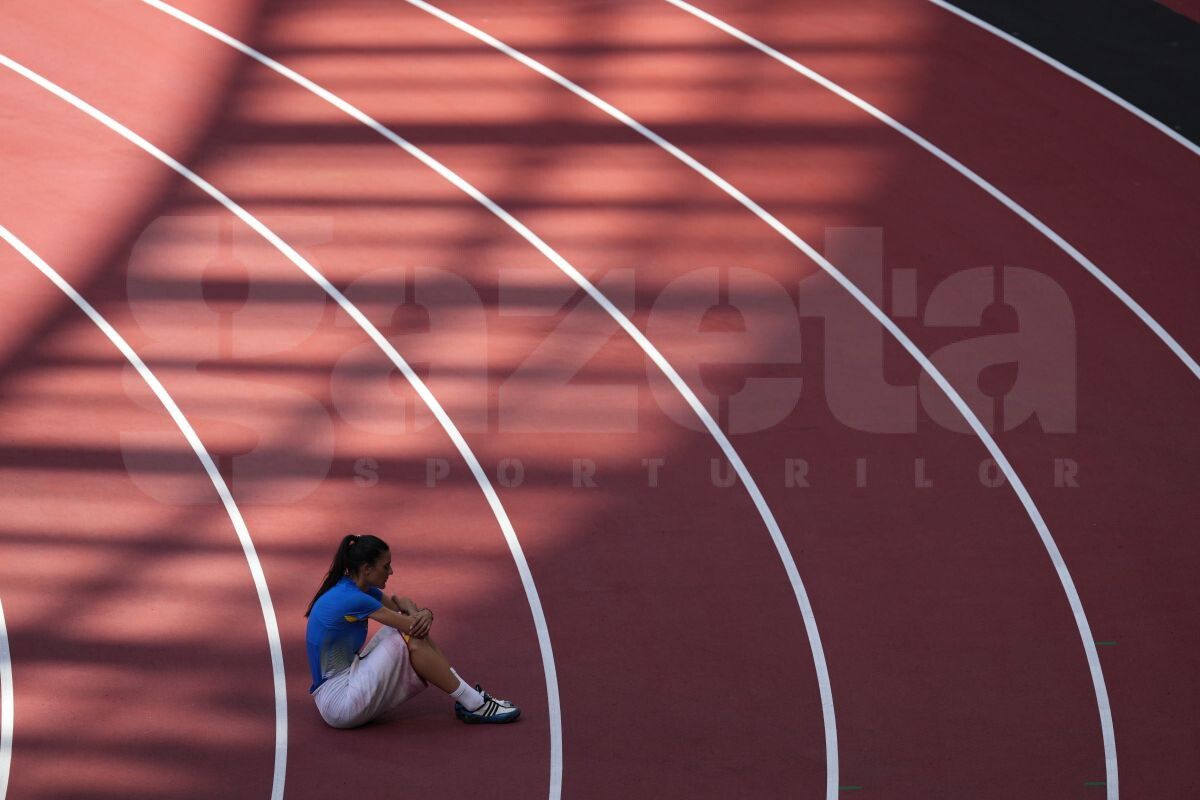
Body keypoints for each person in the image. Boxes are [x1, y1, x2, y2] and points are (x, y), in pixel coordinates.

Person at [304, 533, 520, 728]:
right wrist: (426, 612)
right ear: (367, 569)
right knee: (407, 636)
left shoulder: (357, 588)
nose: (391, 571)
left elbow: (400, 609)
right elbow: (410, 624)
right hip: (339, 703)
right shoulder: (355, 599)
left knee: (406, 633)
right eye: (385, 566)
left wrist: (413, 612)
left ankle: (472, 699)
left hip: (344, 681)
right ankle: (476, 704)